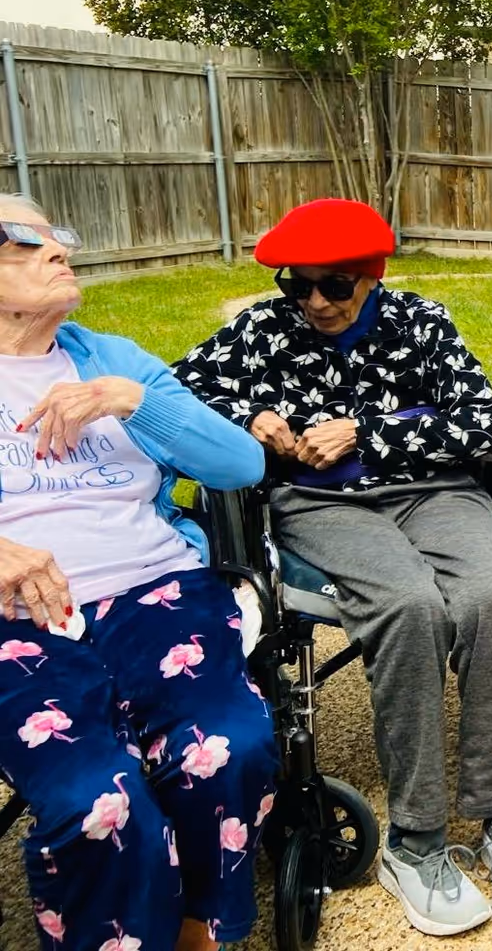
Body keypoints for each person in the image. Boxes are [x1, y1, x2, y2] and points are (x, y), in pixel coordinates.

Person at [174, 197, 492, 937]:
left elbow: (481, 420)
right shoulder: (261, 330)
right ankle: (415, 842)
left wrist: (368, 432)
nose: (315, 302)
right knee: (410, 606)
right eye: (298, 285)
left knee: (484, 599)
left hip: (434, 492)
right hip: (321, 506)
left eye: (335, 285)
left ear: (373, 275)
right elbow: (175, 389)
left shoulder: (422, 322)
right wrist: (247, 416)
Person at [0, 195, 276, 951]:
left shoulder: (112, 358)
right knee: (96, 798)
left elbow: (241, 463)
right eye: (22, 239)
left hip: (156, 589)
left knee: (228, 743)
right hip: (19, 620)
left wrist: (132, 401)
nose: (57, 249)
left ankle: (195, 931)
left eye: (57, 235)